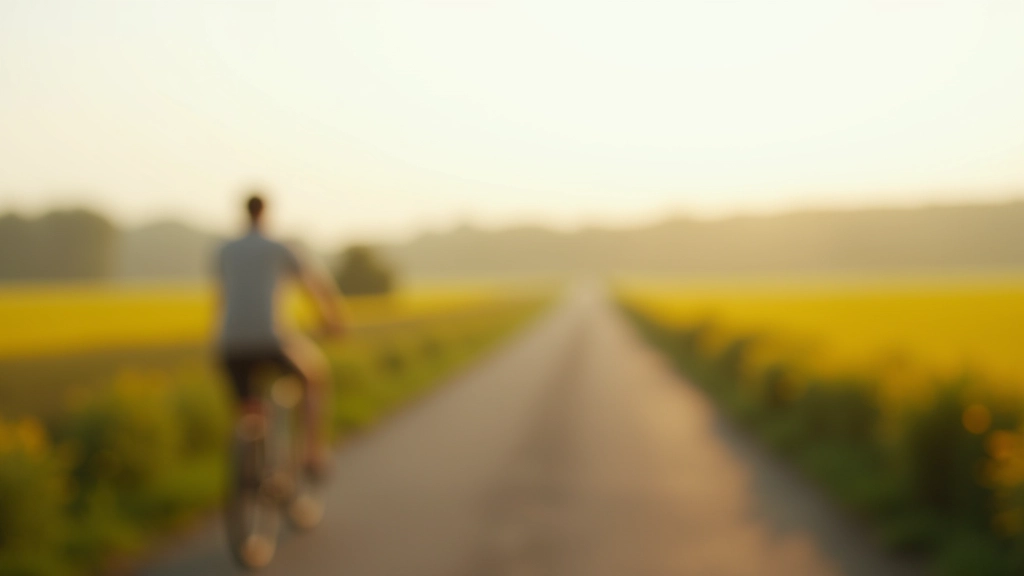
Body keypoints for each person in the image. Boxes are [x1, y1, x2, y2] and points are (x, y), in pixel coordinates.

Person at [215, 192, 343, 476]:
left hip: (229, 344)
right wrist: (331, 321)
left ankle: (248, 462)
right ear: (265, 213)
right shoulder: (280, 248)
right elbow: (315, 285)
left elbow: (223, 296)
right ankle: (312, 454)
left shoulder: (225, 250)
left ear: (244, 212)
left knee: (248, 407)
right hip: (270, 340)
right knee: (313, 377)